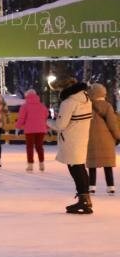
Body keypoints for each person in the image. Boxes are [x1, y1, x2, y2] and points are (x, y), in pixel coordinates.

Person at [54, 78, 94, 214]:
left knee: (76, 169)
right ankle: (85, 199)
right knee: (80, 167)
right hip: (81, 137)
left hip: (71, 139)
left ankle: (84, 200)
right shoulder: (86, 98)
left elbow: (60, 125)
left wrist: (46, 122)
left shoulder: (69, 102)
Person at [86, 84, 120, 195]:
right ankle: (110, 187)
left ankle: (91, 186)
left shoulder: (87, 106)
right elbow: (112, 124)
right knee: (107, 164)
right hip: (107, 140)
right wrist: (118, 136)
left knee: (92, 164)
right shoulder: (107, 106)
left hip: (91, 139)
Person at [15, 89, 49, 172]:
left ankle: (30, 165)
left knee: (30, 147)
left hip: (30, 130)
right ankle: (41, 164)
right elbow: (46, 117)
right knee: (39, 147)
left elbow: (21, 118)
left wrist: (17, 128)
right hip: (41, 129)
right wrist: (47, 128)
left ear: (27, 96)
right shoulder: (42, 106)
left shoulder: (25, 106)